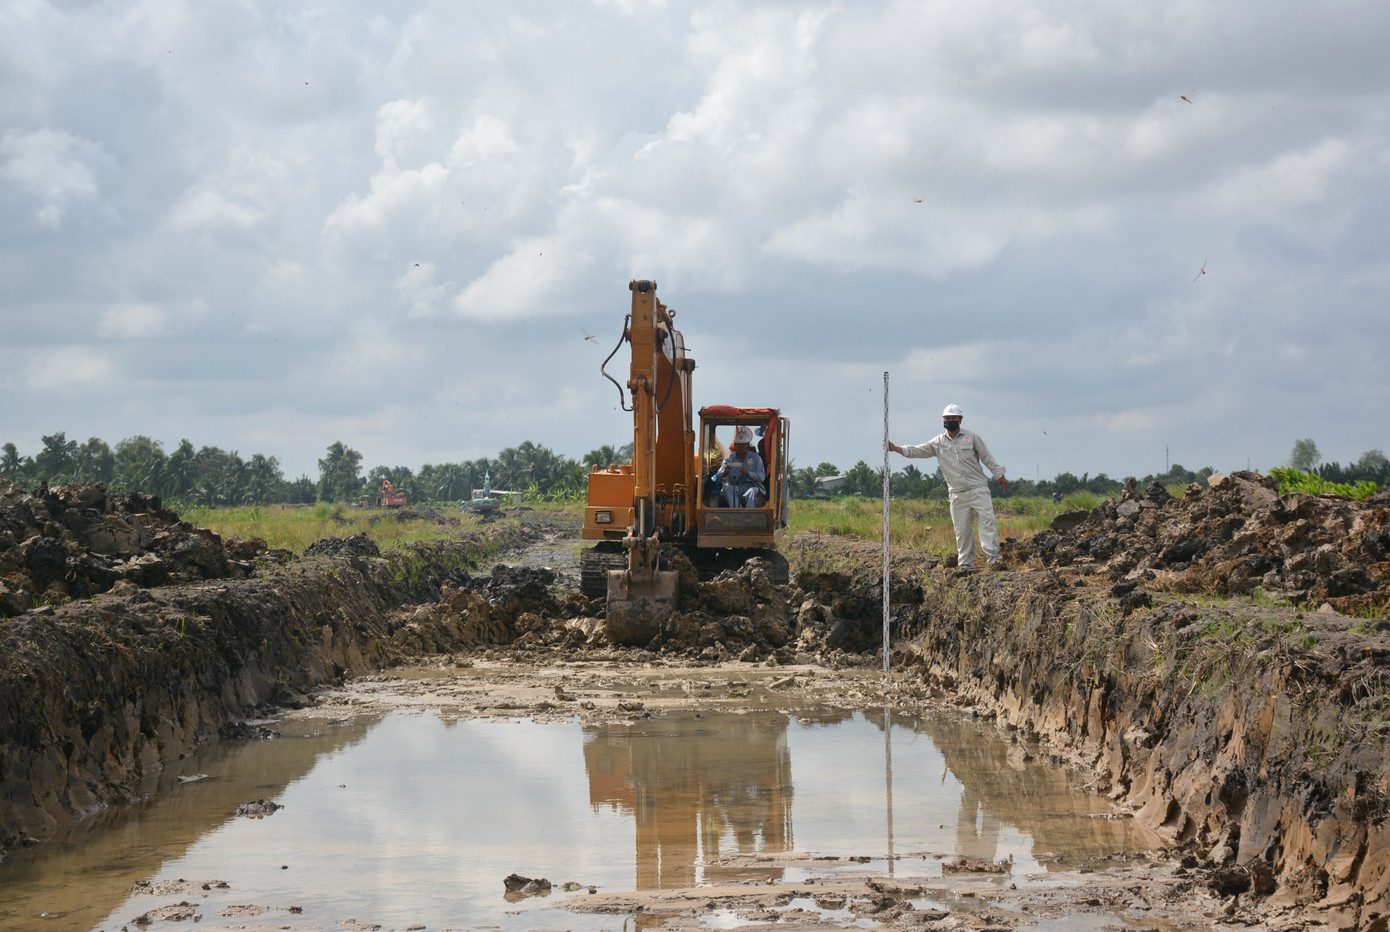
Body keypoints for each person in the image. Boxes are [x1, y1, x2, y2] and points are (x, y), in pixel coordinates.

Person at [887, 404, 1008, 571]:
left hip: (978, 488)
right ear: (943, 420)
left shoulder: (972, 437)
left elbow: (987, 457)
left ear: (960, 420)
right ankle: (966, 564)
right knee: (962, 530)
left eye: (953, 418)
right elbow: (918, 450)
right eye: (947, 418)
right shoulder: (938, 442)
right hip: (957, 493)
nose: (950, 421)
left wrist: (999, 474)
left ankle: (994, 560)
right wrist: (895, 449)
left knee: (988, 524)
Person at [717, 426, 766, 507]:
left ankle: (749, 513)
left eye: (743, 445)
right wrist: (725, 472)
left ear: (747, 446)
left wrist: (749, 473)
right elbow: (718, 477)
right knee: (727, 489)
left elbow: (762, 477)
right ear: (735, 446)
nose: (740, 448)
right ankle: (737, 511)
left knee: (751, 492)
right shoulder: (729, 459)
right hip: (735, 487)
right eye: (738, 445)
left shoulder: (756, 458)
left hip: (752, 486)